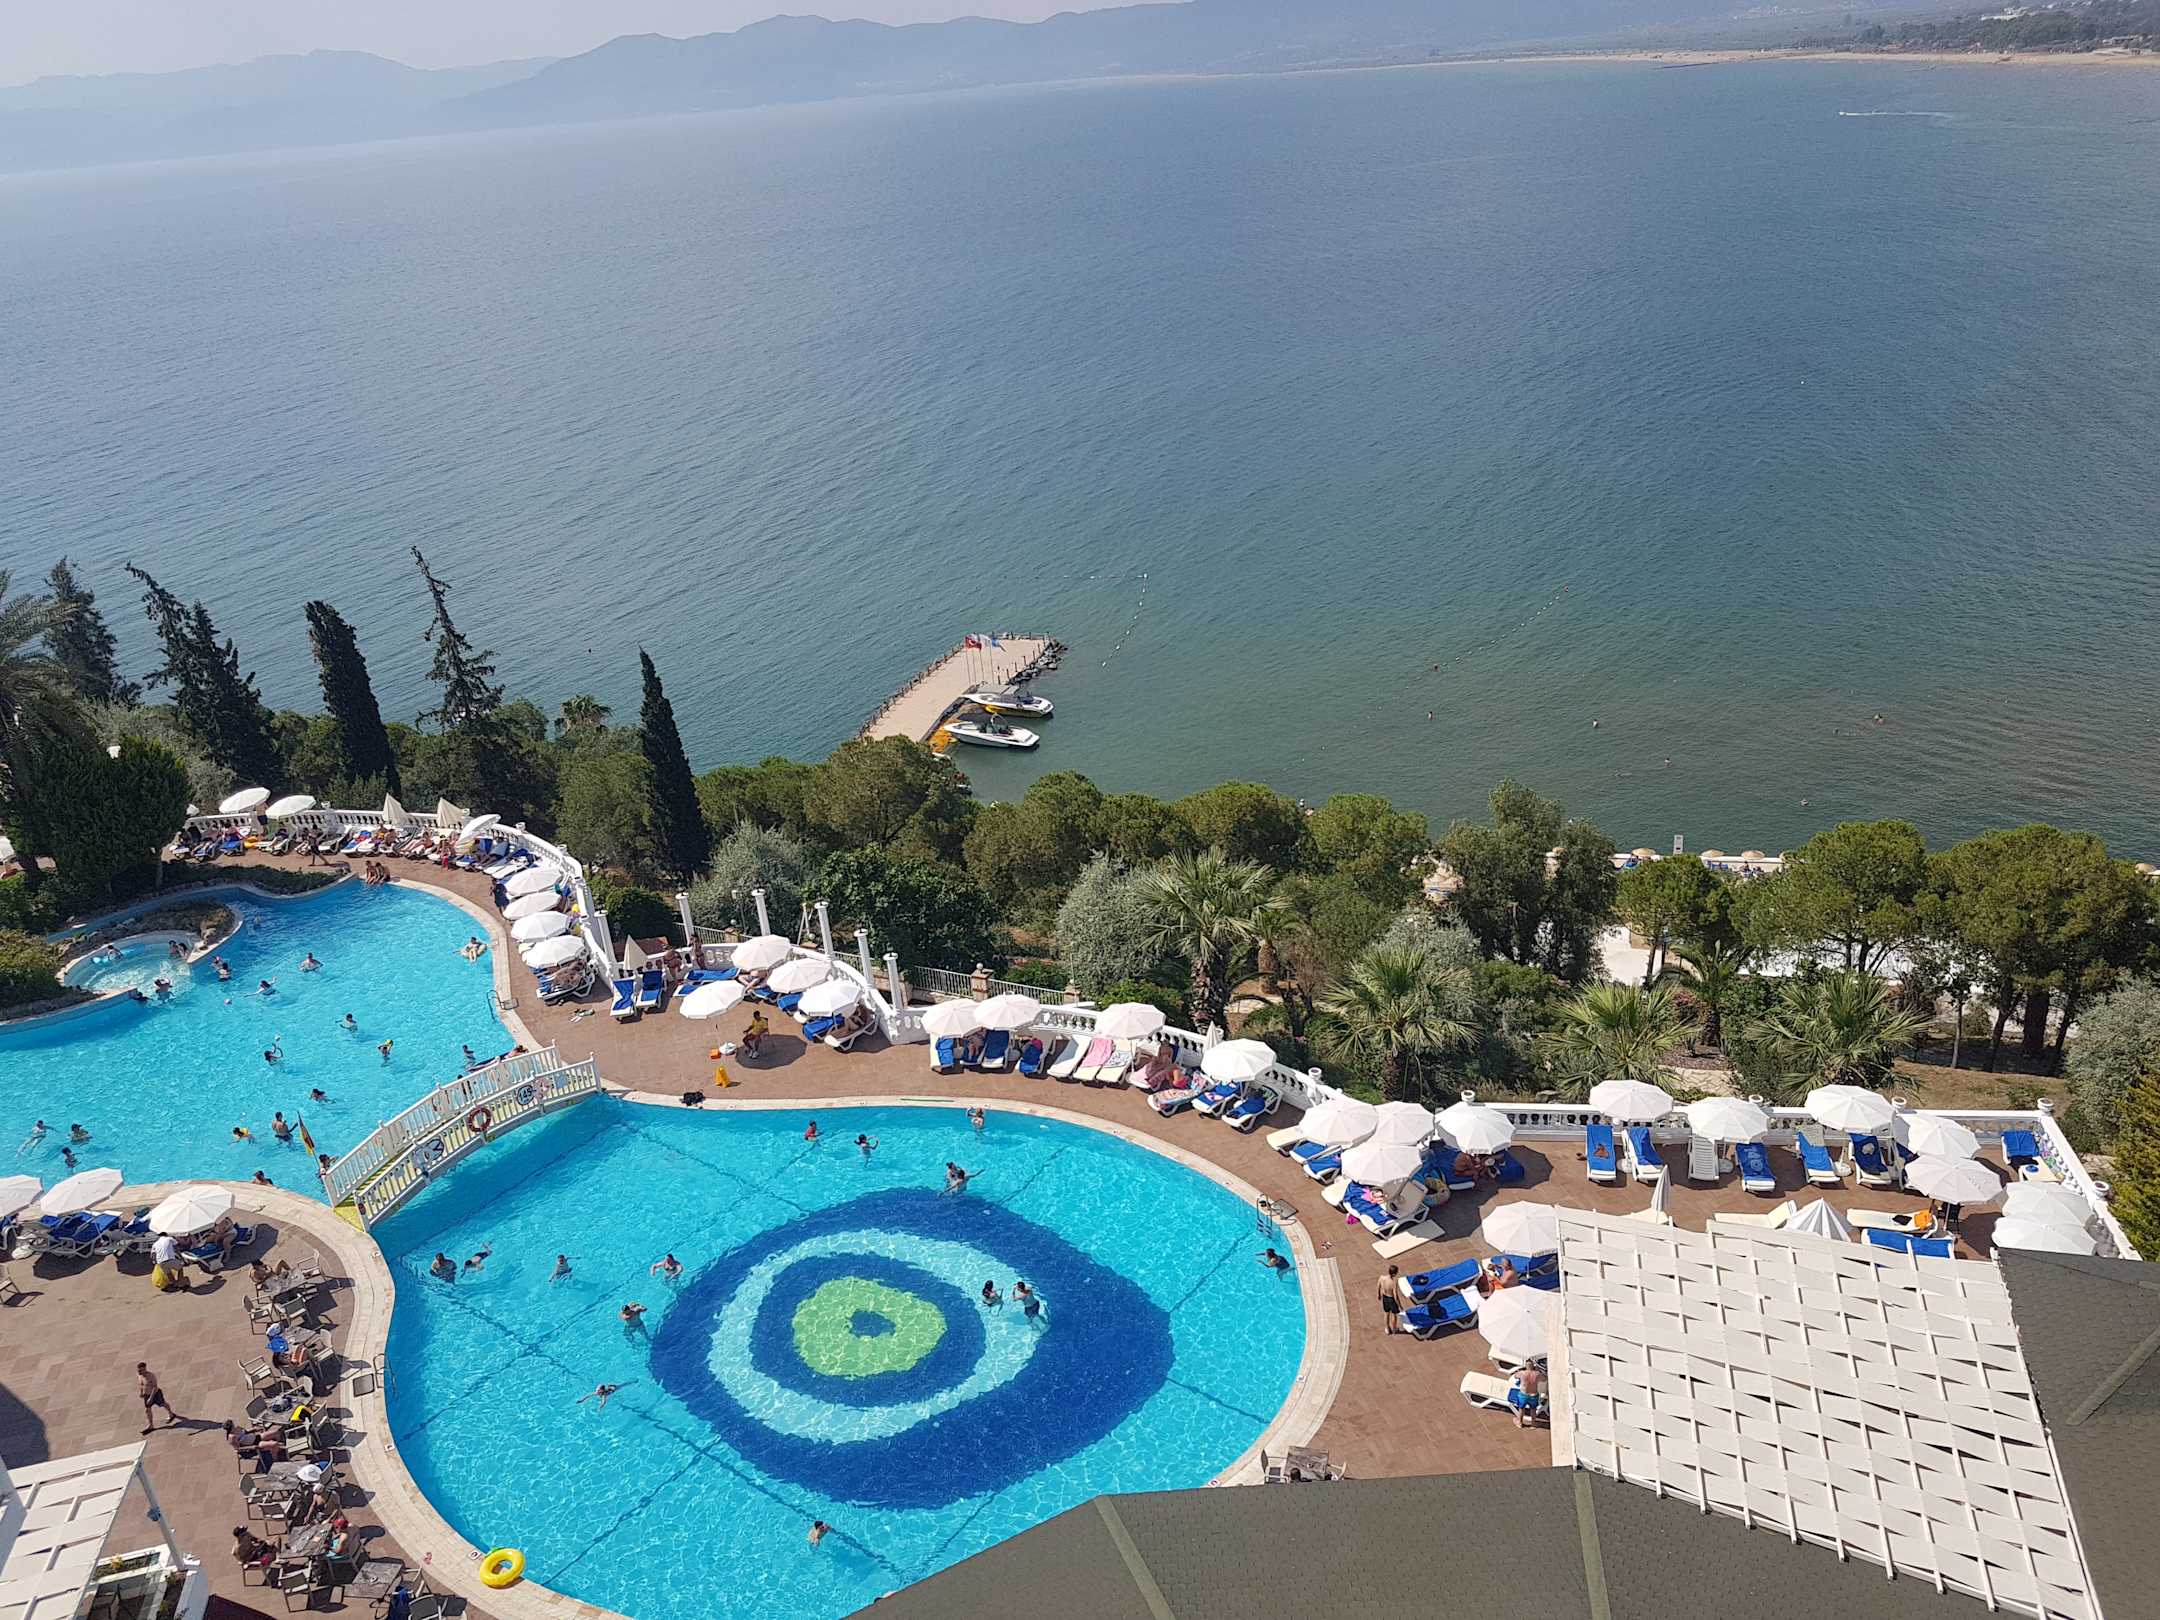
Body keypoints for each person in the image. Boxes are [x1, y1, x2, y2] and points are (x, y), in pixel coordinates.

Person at [136, 1363, 180, 1432]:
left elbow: (155, 1387)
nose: (139, 1372)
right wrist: (141, 1393)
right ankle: (151, 1425)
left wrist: (151, 1398)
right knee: (147, 1410)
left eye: (140, 1370)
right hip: (146, 1395)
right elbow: (141, 1385)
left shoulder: (151, 1376)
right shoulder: (140, 1376)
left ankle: (171, 1414)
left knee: (163, 1404)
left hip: (156, 1394)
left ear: (144, 1369)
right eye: (138, 1370)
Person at [1378, 1266, 1403, 1335]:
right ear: (1394, 1274)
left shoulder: (1381, 1278)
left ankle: (1387, 1329)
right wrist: (1400, 1305)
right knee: (1394, 1314)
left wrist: (1378, 1295)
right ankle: (1394, 1329)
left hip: (1385, 1297)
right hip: (1391, 1299)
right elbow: (1395, 1296)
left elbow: (1378, 1286)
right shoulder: (1394, 1283)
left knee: (1386, 1313)